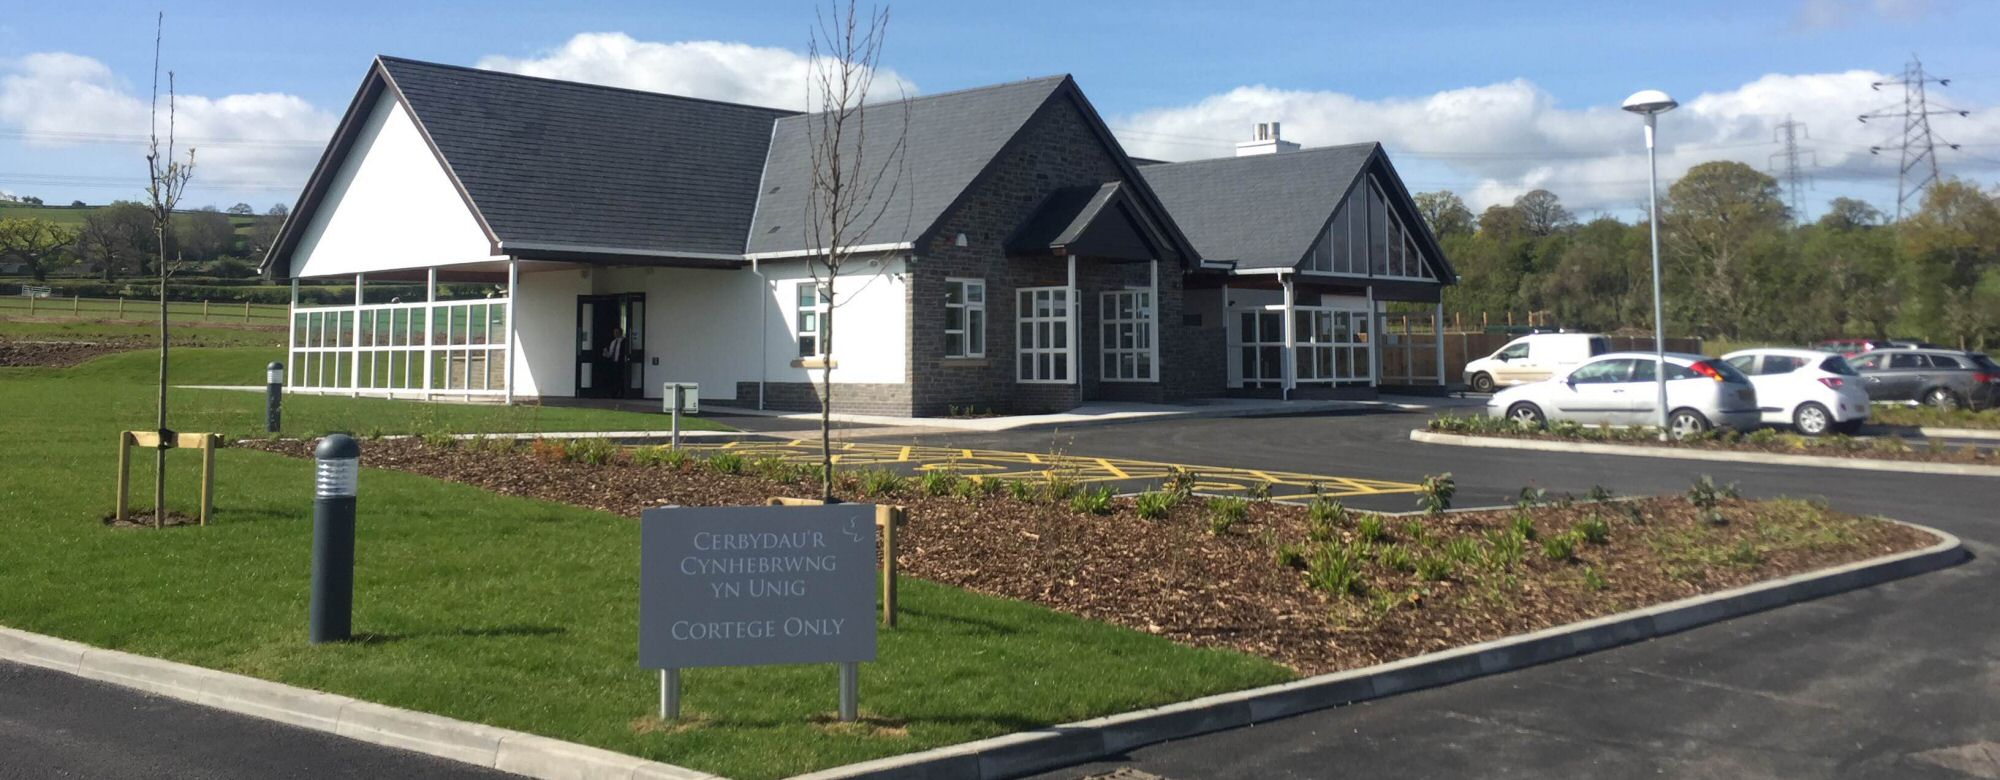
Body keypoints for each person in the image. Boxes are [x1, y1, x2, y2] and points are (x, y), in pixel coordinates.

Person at [603, 328, 628, 393]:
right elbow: (610, 354)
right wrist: (606, 353)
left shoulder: (625, 341)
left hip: (622, 363)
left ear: (621, 332)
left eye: (617, 332)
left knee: (621, 378)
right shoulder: (613, 342)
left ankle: (622, 391)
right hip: (614, 363)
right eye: (614, 332)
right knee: (615, 378)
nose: (615, 334)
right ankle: (615, 391)